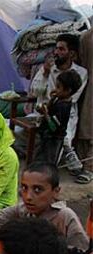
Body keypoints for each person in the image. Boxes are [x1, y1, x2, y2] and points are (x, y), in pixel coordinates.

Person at [30, 33, 88, 176]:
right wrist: (45, 74)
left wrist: (50, 105)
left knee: (62, 139)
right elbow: (35, 92)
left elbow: (73, 98)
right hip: (43, 112)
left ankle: (65, 161)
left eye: (61, 49)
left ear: (72, 53)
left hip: (63, 115)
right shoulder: (47, 69)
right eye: (56, 49)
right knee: (17, 135)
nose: (56, 52)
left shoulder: (80, 73)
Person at [36, 70, 84, 168]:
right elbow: (48, 108)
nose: (55, 89)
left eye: (58, 87)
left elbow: (54, 127)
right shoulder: (60, 99)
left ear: (68, 90)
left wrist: (46, 114)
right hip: (47, 136)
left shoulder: (63, 106)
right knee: (40, 157)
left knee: (49, 162)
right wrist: (52, 99)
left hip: (54, 139)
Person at [76, 27, 93, 183]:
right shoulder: (86, 37)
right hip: (87, 84)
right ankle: (86, 167)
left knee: (85, 127)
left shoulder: (85, 37)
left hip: (86, 84)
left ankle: (85, 165)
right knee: (86, 128)